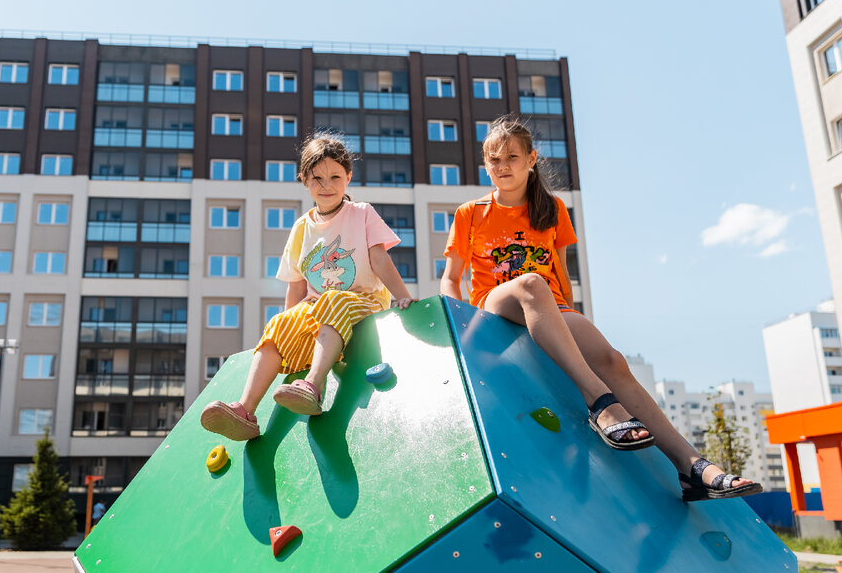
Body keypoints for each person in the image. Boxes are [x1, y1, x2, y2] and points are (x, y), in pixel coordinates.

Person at [440, 115, 761, 502]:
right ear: (485, 164)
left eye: (511, 156)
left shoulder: (552, 209)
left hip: (548, 303)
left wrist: (574, 327)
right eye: (493, 159)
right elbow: (451, 278)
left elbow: (560, 274)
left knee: (612, 359)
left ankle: (692, 467)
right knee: (530, 283)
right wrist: (461, 326)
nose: (502, 166)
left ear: (531, 159)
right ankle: (601, 405)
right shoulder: (470, 213)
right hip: (494, 305)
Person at [201, 133, 415, 441]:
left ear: (348, 177)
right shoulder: (302, 227)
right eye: (317, 179)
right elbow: (297, 284)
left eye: (335, 177)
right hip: (320, 308)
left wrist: (403, 297)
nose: (326, 186)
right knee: (278, 323)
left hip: (363, 302)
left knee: (333, 301)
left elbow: (379, 259)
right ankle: (245, 410)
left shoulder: (362, 213)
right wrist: (292, 330)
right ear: (304, 180)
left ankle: (313, 386)